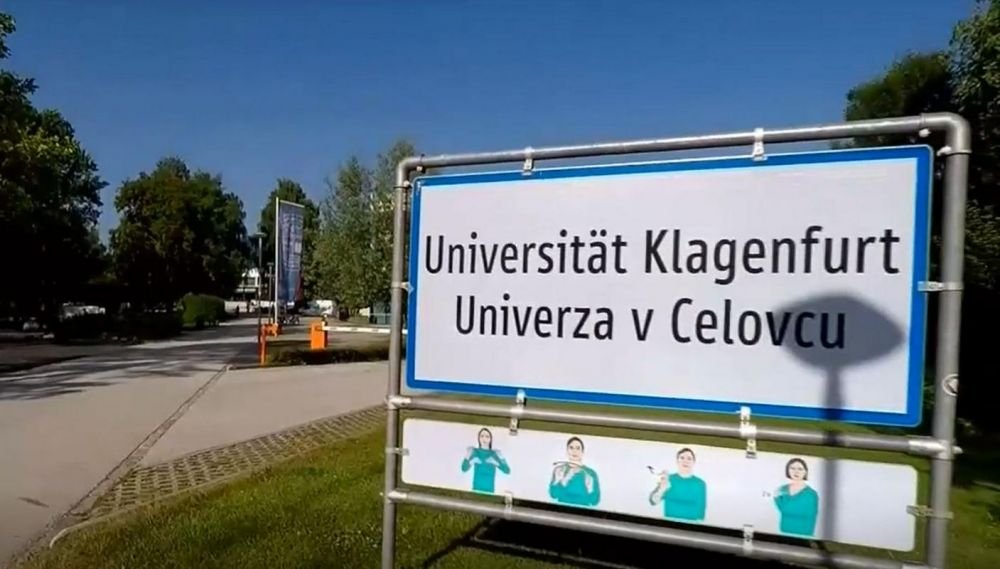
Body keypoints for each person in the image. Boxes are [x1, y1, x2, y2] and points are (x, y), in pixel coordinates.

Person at [648, 447, 707, 522]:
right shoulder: (668, 479)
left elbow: (701, 510)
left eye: (689, 458)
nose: (685, 461)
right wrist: (662, 489)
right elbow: (653, 501)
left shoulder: (700, 484)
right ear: (677, 461)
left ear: (693, 462)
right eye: (682, 458)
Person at [548, 436, 601, 507]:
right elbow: (553, 495)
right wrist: (557, 481)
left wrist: (590, 488)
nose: (574, 451)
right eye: (571, 448)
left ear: (582, 452)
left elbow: (594, 501)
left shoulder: (590, 473)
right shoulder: (559, 470)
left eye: (578, 448)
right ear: (567, 451)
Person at [773, 458, 820, 537]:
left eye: (800, 469)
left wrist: (780, 501)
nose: (796, 472)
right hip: (784, 531)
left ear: (805, 472)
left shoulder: (811, 494)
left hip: (803, 534)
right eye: (792, 468)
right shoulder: (782, 489)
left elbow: (800, 512)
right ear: (787, 470)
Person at [460, 427, 510, 494]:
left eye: (487, 436)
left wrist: (499, 460)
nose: (484, 439)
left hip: (489, 490)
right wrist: (469, 457)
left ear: (490, 439)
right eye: (482, 436)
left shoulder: (494, 453)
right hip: (476, 489)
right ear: (479, 438)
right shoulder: (475, 451)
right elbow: (463, 468)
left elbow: (507, 471)